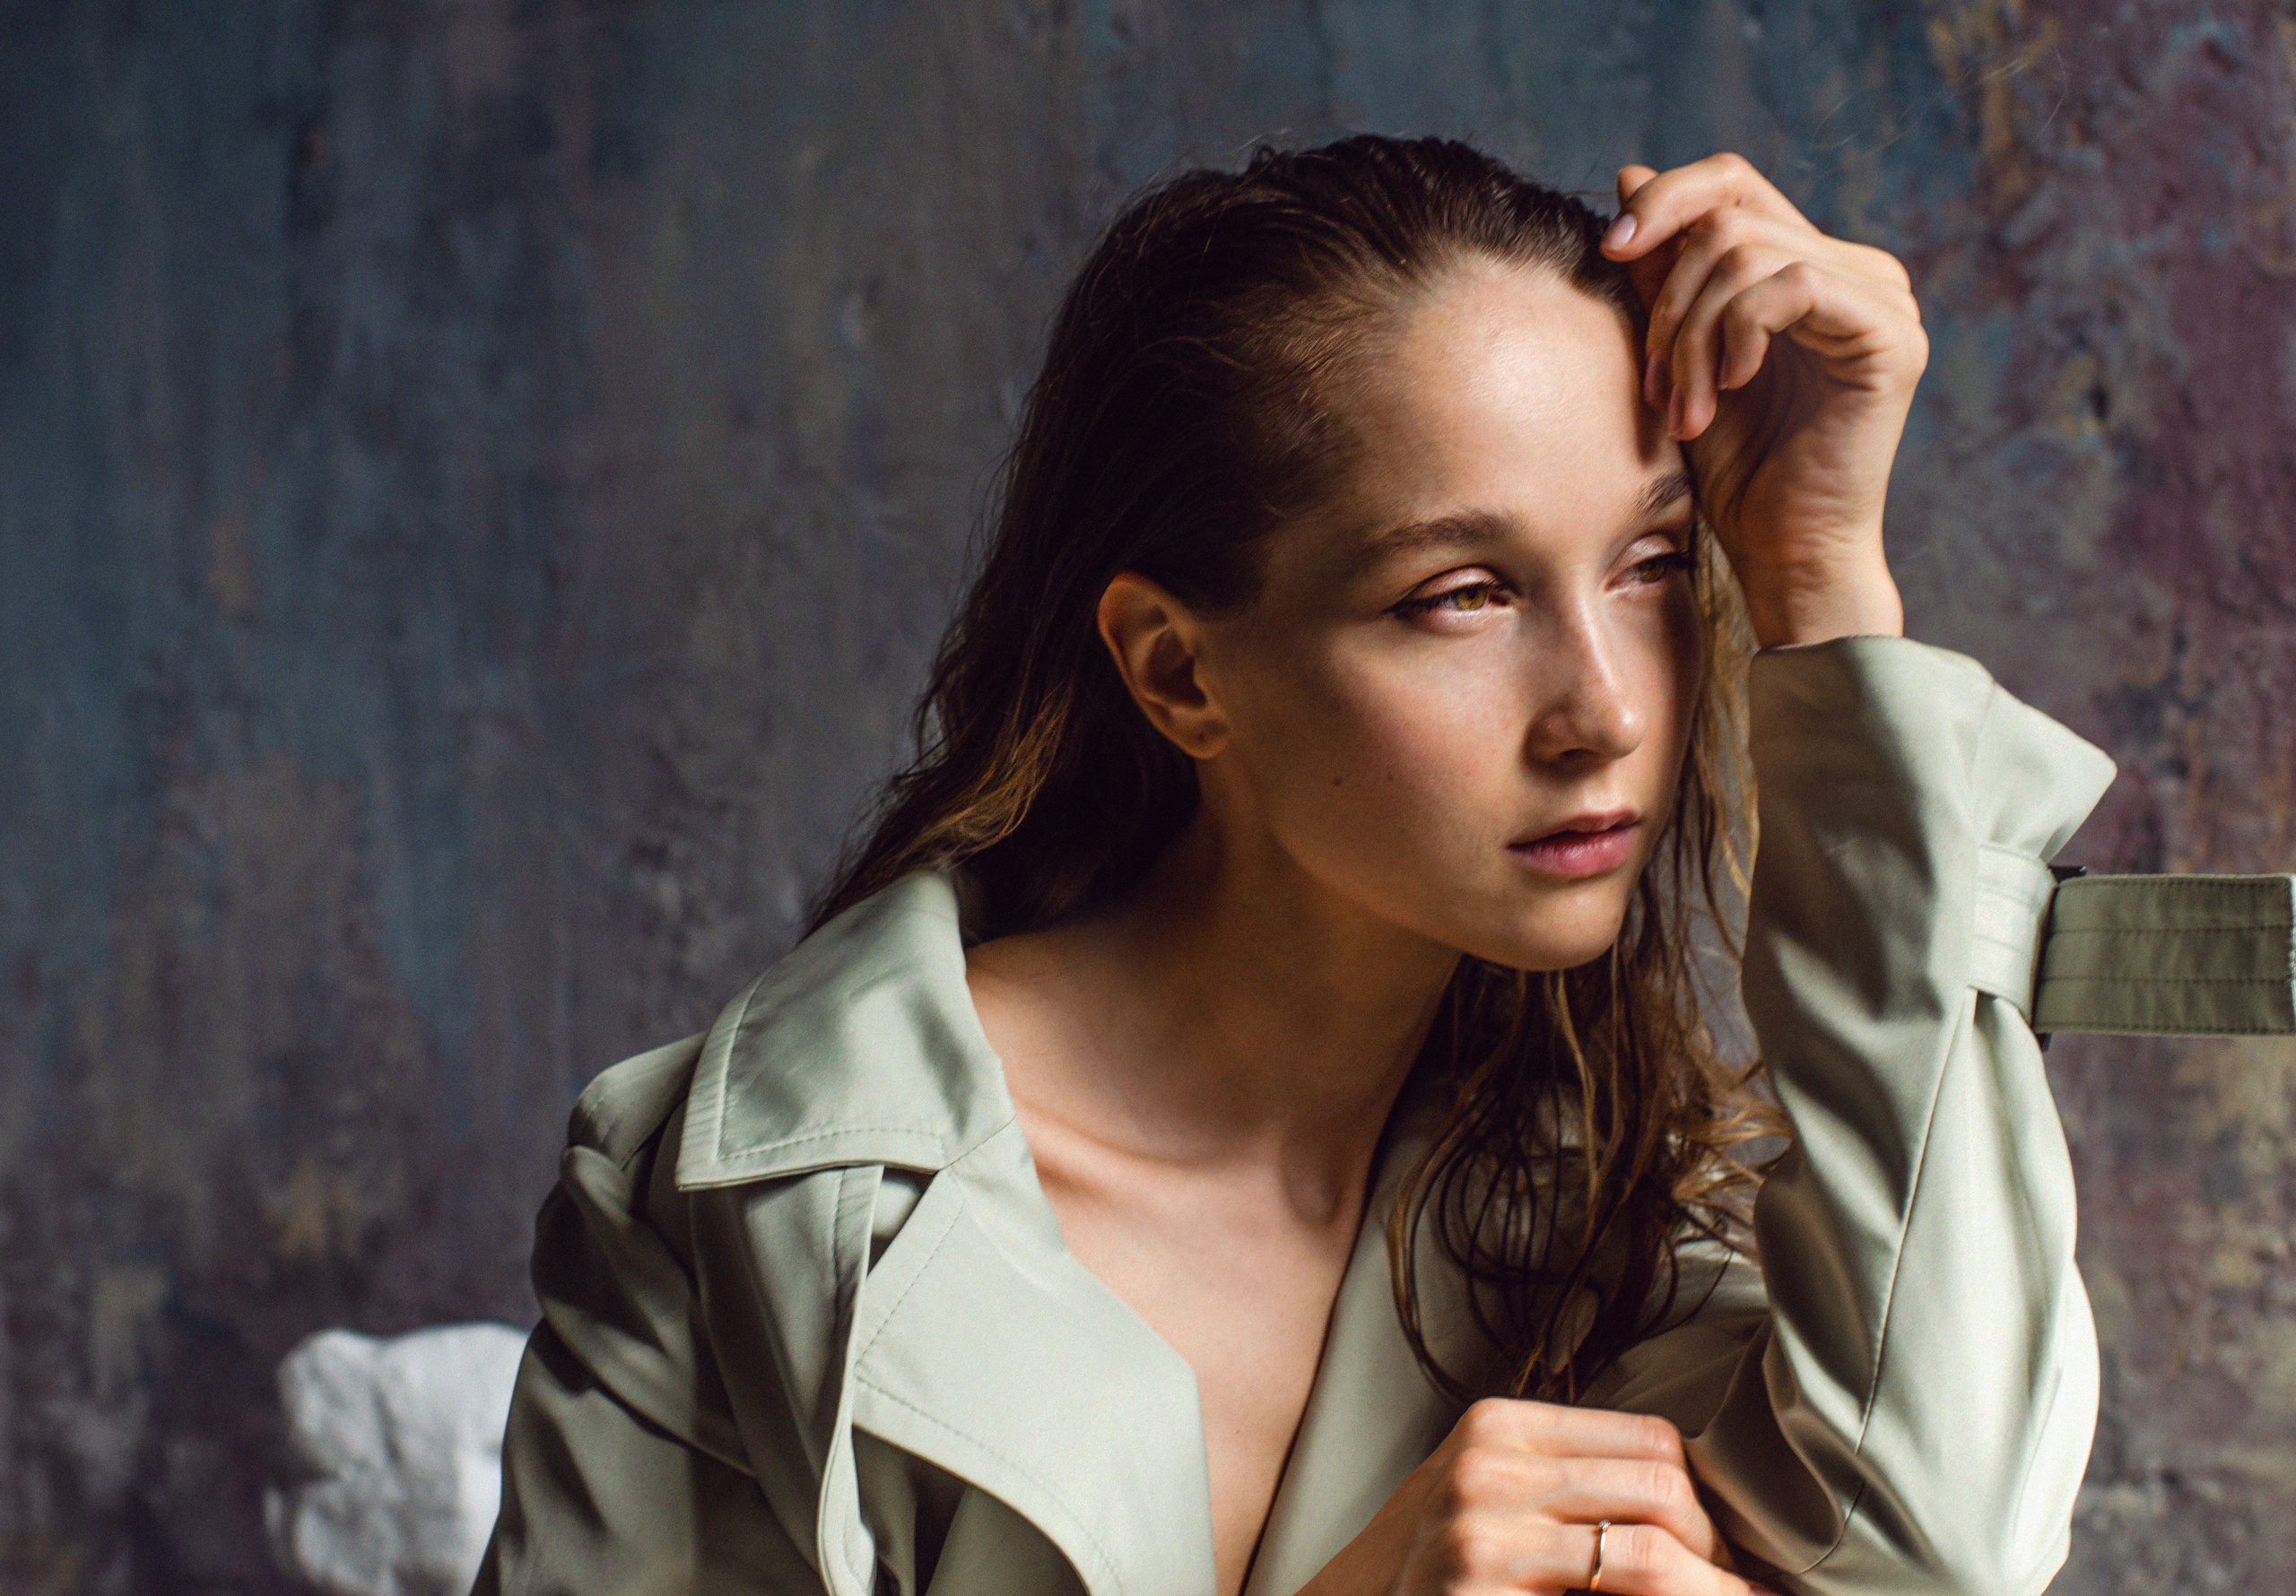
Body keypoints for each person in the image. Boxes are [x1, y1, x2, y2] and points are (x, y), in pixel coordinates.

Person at [473, 138, 2118, 1596]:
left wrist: (1825, 579)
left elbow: (1940, 1543)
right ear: (1179, 671)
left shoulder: (1592, 1199)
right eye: (1461, 595)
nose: (1607, 711)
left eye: (1652, 564)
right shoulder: (769, 1211)